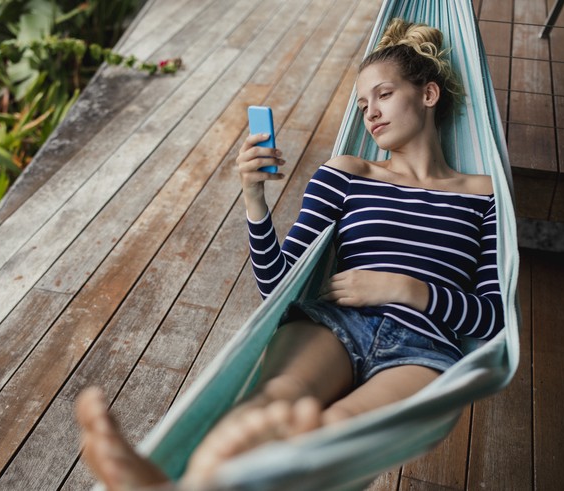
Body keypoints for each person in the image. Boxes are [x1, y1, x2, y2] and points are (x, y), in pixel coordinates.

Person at [75, 18, 505, 490]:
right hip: (336, 324)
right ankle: (179, 482)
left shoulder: (485, 195)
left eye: (383, 95)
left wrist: (404, 288)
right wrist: (254, 199)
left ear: (427, 95)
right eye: (363, 105)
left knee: (336, 429)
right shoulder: (348, 171)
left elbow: (492, 318)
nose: (371, 114)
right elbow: (278, 287)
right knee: (276, 403)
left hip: (422, 349)